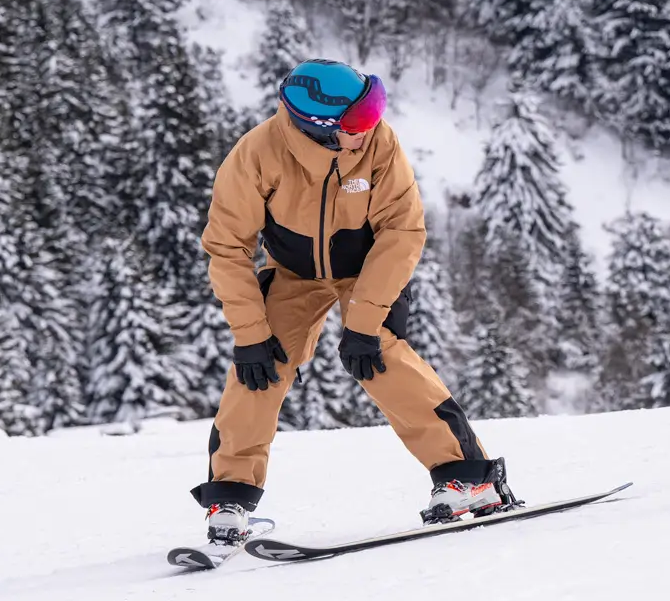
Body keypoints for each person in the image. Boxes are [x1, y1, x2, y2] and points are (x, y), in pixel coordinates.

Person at [192, 58, 518, 547]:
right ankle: (230, 498)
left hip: (368, 269)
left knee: (380, 354)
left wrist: (363, 324)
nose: (371, 126)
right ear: (319, 128)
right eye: (359, 120)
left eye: (374, 109)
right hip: (293, 273)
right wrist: (250, 334)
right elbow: (227, 247)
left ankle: (469, 478)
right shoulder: (257, 154)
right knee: (260, 367)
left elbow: (402, 230)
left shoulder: (378, 145)